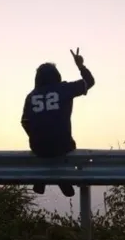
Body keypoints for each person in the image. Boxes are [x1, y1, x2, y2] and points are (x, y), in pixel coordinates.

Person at [21, 47, 95, 197]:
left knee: (44, 146)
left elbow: (24, 122)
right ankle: (63, 178)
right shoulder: (64, 88)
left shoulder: (31, 96)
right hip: (62, 144)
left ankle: (41, 180)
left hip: (38, 147)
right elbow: (89, 82)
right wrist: (80, 66)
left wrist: (35, 135)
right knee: (66, 145)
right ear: (56, 75)